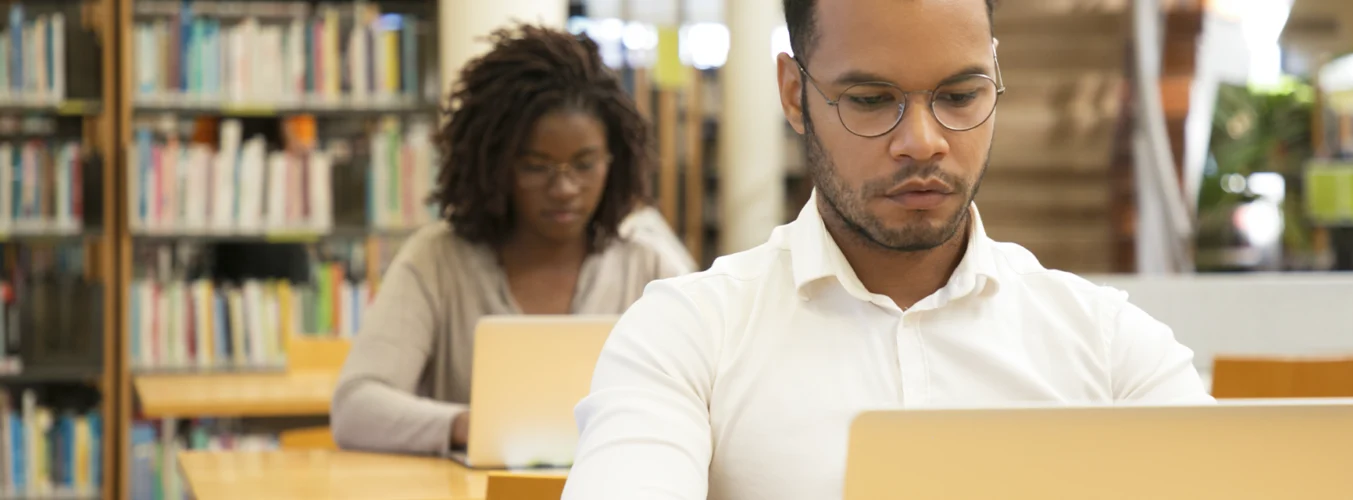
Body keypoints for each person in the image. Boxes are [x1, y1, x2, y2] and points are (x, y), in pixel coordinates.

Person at [562, 0, 1213, 498]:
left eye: (961, 95)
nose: (923, 141)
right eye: (872, 101)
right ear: (795, 94)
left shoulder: (1107, 344)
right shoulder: (689, 334)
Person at [331, 25, 696, 455]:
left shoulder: (647, 266)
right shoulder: (437, 261)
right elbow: (356, 407)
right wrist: (470, 425)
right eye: (537, 166)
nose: (564, 188)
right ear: (496, 164)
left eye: (584, 165)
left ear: (613, 163)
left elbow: (708, 400)